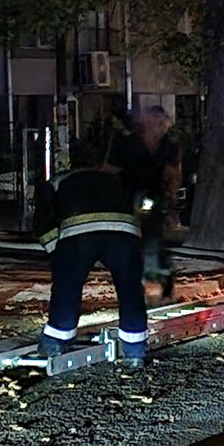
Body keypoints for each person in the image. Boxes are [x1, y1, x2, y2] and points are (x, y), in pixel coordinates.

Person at [32, 167, 148, 369]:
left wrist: (57, 252)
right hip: (125, 231)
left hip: (79, 232)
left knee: (67, 286)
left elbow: (43, 221)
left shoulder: (55, 183)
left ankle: (55, 342)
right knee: (130, 289)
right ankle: (135, 351)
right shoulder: (114, 178)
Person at [104, 105, 182, 297]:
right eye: (156, 123)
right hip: (127, 195)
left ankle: (160, 281)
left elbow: (174, 173)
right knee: (130, 239)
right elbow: (109, 170)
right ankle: (134, 279)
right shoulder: (127, 143)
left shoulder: (169, 146)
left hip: (154, 196)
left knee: (152, 237)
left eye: (163, 124)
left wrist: (170, 199)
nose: (160, 128)